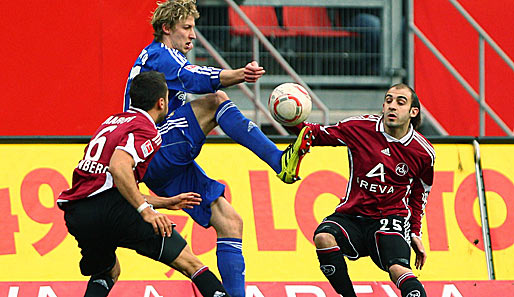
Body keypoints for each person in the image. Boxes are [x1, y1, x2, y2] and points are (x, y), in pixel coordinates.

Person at [123, 1, 313, 296]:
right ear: (166, 29)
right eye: (186, 28)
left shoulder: (158, 59)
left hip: (161, 165)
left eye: (193, 28)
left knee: (230, 223)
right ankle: (279, 161)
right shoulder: (160, 55)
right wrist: (238, 75)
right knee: (216, 100)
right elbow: (193, 78)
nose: (193, 36)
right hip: (154, 148)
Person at [58, 71, 231, 297]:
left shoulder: (111, 122)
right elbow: (118, 167)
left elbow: (111, 186)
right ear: (161, 102)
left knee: (107, 271)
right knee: (190, 263)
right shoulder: (147, 129)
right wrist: (146, 211)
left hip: (79, 213)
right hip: (112, 210)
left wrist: (164, 202)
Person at [289, 83, 434, 297]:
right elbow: (318, 134)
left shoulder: (423, 152)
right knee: (323, 238)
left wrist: (414, 232)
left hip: (390, 218)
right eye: (388, 100)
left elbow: (419, 194)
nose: (392, 106)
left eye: (400, 102)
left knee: (398, 269)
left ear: (413, 112)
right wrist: (292, 119)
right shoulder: (359, 128)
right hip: (353, 214)